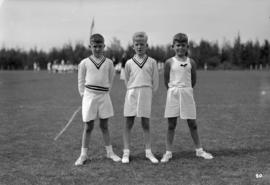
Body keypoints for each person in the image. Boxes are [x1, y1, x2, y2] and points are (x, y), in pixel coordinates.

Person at [161, 33, 213, 163]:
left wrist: (186, 90)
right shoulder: (169, 62)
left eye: (183, 45)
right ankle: (168, 152)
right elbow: (166, 80)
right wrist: (174, 90)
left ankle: (199, 150)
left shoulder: (192, 62)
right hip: (173, 94)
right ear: (173, 46)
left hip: (187, 94)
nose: (180, 48)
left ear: (187, 46)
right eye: (178, 45)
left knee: (192, 124)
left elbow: (193, 81)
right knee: (171, 124)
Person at [75, 33, 121, 166]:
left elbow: (111, 79)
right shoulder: (84, 63)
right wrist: (84, 95)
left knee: (104, 125)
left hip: (104, 96)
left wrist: (106, 91)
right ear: (90, 46)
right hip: (89, 96)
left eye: (100, 46)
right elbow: (81, 80)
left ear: (104, 46)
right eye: (95, 46)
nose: (97, 49)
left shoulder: (109, 63)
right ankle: (83, 155)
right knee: (88, 126)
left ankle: (110, 152)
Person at [122, 32, 159, 164]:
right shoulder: (128, 63)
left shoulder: (152, 62)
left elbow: (155, 82)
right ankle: (126, 152)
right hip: (132, 93)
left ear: (146, 45)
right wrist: (133, 89)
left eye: (142, 44)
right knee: (128, 122)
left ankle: (148, 152)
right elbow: (126, 80)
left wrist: (148, 93)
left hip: (146, 93)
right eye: (136, 44)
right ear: (133, 46)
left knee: (145, 123)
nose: (139, 47)